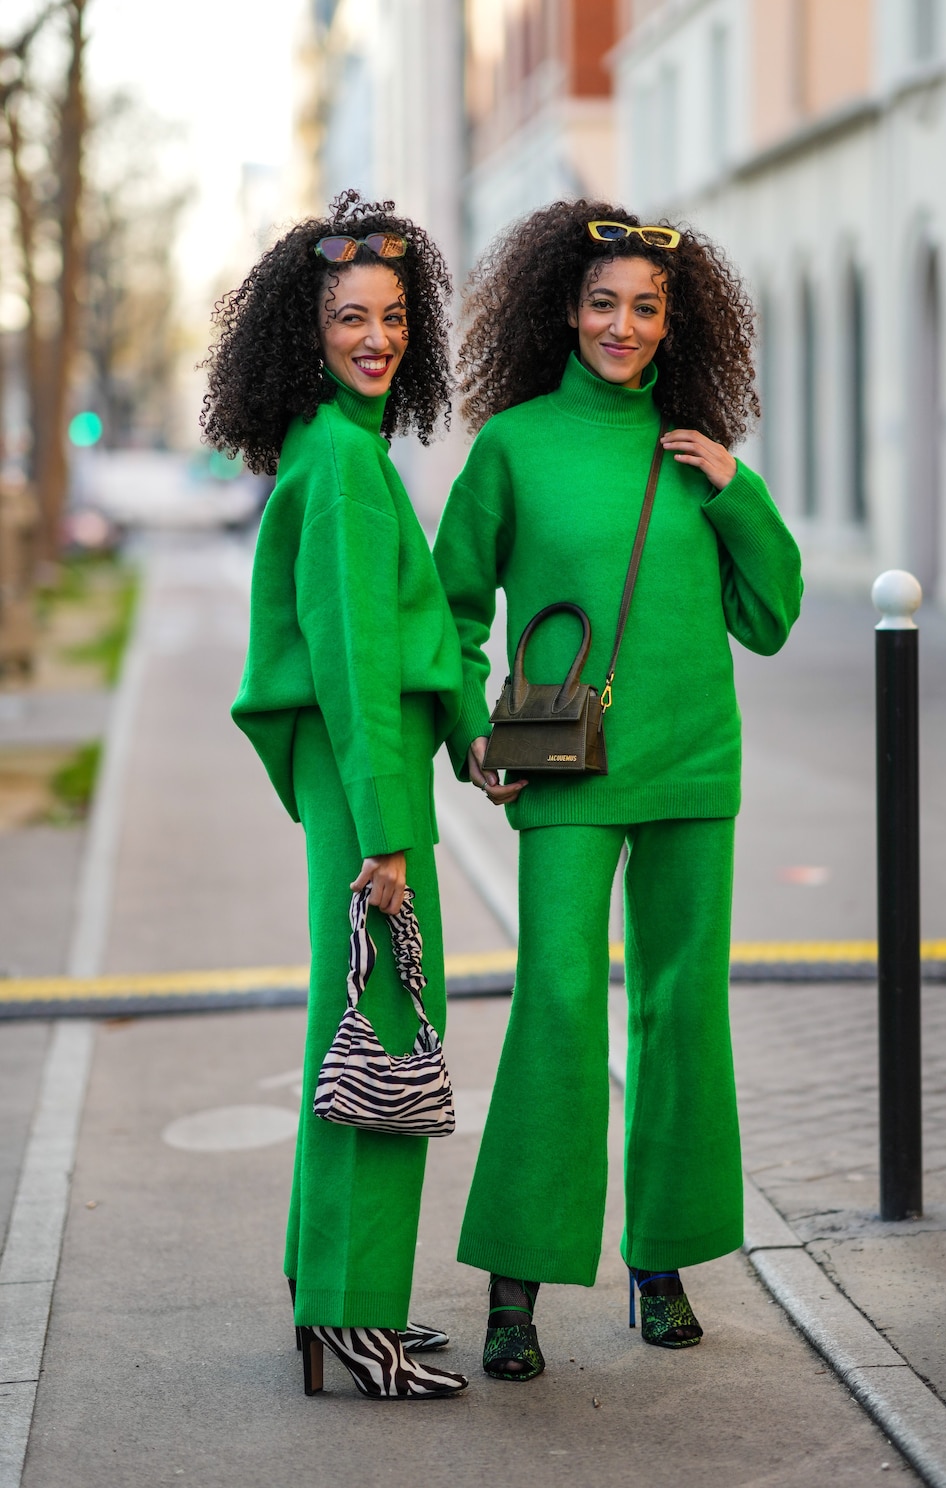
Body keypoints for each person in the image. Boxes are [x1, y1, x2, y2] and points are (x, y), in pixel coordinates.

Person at [433, 200, 803, 1381]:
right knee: (553, 1002)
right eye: (604, 303)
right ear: (565, 309)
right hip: (566, 769)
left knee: (680, 1014)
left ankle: (661, 1263)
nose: (625, 326)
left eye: (647, 308)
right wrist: (466, 729)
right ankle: (514, 1284)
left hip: (695, 770)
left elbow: (774, 614)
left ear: (672, 322)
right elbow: (450, 607)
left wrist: (736, 484)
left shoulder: (695, 455)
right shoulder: (514, 445)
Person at [201, 189, 468, 1400]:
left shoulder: (329, 449)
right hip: (371, 785)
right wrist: (389, 838)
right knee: (386, 1035)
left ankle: (334, 1306)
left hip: (359, 777)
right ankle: (355, 1321)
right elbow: (359, 662)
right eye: (350, 318)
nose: (377, 338)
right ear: (300, 334)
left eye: (394, 316)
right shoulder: (348, 468)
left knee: (348, 1033)